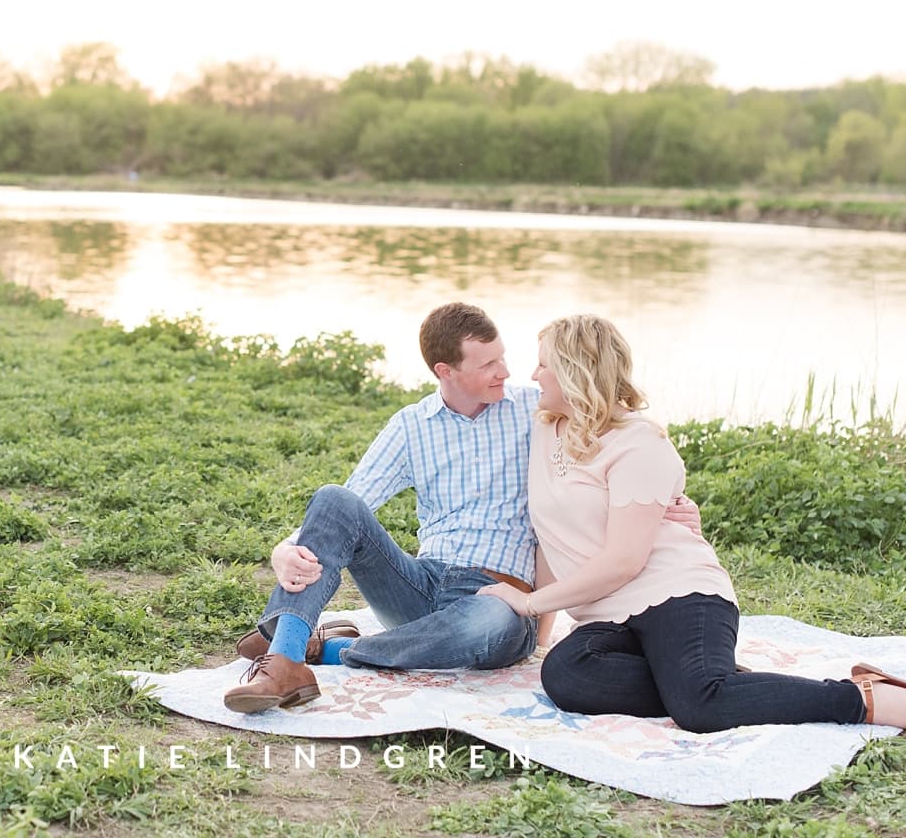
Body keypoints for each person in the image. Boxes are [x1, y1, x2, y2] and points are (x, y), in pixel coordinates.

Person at [478, 314, 906, 739]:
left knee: (699, 706)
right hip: (607, 617)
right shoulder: (545, 426)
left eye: (544, 365)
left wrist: (527, 603)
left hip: (677, 594)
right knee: (568, 674)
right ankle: (719, 682)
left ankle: (862, 699)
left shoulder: (639, 443)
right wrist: (541, 637)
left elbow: (624, 561)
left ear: (578, 372)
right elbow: (552, 535)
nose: (532, 375)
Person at [224, 302, 702, 714]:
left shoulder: (537, 411)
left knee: (485, 620)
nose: (507, 373)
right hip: (420, 582)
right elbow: (351, 502)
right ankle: (285, 663)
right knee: (333, 498)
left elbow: (617, 436)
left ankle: (330, 651)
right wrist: (283, 548)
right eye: (487, 364)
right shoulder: (411, 425)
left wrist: (671, 506)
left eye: (503, 357)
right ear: (445, 371)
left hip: (499, 598)